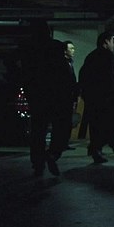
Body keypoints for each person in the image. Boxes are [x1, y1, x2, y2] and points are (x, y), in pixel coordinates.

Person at [19, 19, 69, 176]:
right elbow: (63, 71)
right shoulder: (56, 46)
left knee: (38, 130)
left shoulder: (27, 47)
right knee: (60, 127)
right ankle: (53, 153)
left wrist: (22, 80)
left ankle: (37, 163)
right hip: (55, 94)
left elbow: (10, 62)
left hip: (36, 94)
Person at [78, 32, 114, 163]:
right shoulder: (109, 57)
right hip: (107, 98)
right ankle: (101, 145)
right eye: (112, 41)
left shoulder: (91, 56)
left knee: (96, 125)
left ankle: (96, 149)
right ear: (106, 42)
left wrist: (84, 94)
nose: (113, 45)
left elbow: (83, 75)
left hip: (93, 99)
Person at [61, 40, 79, 151]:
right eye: (71, 48)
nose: (73, 50)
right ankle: (61, 143)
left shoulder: (70, 63)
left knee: (68, 121)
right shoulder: (63, 64)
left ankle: (64, 142)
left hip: (70, 96)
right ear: (65, 51)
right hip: (64, 97)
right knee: (63, 121)